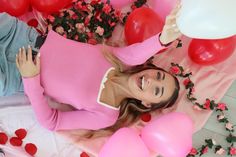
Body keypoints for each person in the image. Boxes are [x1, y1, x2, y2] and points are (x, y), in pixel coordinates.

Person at [0, 5, 181, 133]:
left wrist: (30, 79)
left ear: (146, 103)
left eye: (157, 90)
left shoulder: (106, 116)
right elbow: (137, 53)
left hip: (13, 74)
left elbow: (52, 122)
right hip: (20, 36)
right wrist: (162, 40)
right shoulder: (118, 59)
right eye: (158, 75)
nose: (152, 80)